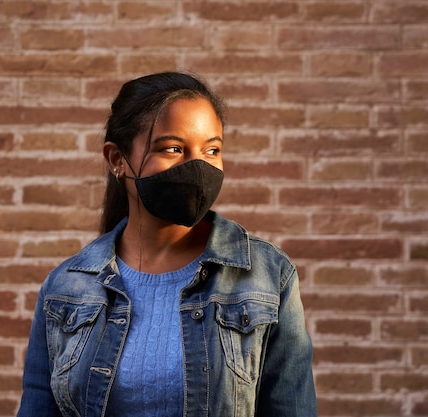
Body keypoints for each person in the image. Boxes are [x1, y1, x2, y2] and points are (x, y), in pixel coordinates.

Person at [16, 72, 317, 417]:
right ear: (117, 160)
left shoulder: (266, 276)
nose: (197, 166)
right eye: (173, 148)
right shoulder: (67, 287)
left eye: (211, 149)